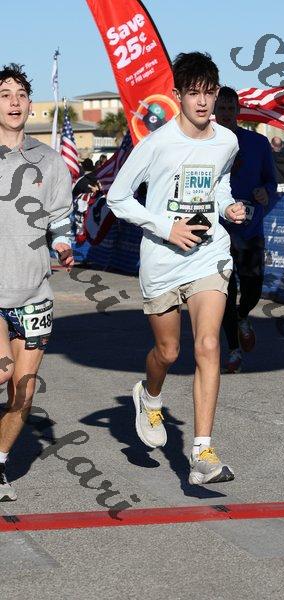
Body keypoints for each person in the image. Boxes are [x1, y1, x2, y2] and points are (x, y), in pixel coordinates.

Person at [107, 53, 245, 485]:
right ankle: (149, 396)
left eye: (209, 93)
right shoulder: (156, 144)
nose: (202, 102)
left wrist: (229, 206)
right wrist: (167, 229)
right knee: (168, 352)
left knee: (208, 344)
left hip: (209, 254)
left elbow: (220, 183)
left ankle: (202, 452)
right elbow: (117, 197)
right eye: (193, 93)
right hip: (163, 260)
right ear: (177, 95)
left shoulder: (227, 141)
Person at [0, 63, 74, 501]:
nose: (14, 102)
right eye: (4, 94)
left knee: (23, 392)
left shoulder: (49, 159)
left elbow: (60, 216)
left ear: (30, 104)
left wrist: (63, 244)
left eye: (21, 95)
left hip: (34, 293)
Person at [214, 87, 277, 374]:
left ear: (238, 111)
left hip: (250, 230)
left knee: (253, 287)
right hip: (218, 231)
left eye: (231, 109)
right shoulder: (205, 143)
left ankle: (243, 316)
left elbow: (271, 181)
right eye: (222, 109)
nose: (226, 114)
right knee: (225, 291)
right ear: (214, 111)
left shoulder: (257, 143)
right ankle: (233, 350)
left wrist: (265, 192)